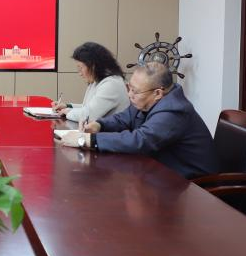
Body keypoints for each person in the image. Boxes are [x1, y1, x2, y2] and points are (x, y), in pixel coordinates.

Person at [59, 62, 218, 179]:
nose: (129, 95)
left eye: (135, 91)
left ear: (158, 93)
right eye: (129, 88)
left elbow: (140, 140)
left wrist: (88, 140)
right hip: (163, 172)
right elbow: (123, 119)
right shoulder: (147, 99)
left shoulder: (174, 111)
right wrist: (98, 125)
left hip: (193, 185)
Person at [53, 42, 129, 122]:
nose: (80, 73)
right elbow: (88, 107)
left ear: (93, 66)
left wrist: (67, 111)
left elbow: (89, 115)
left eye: (80, 68)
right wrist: (68, 106)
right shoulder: (99, 80)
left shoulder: (111, 84)